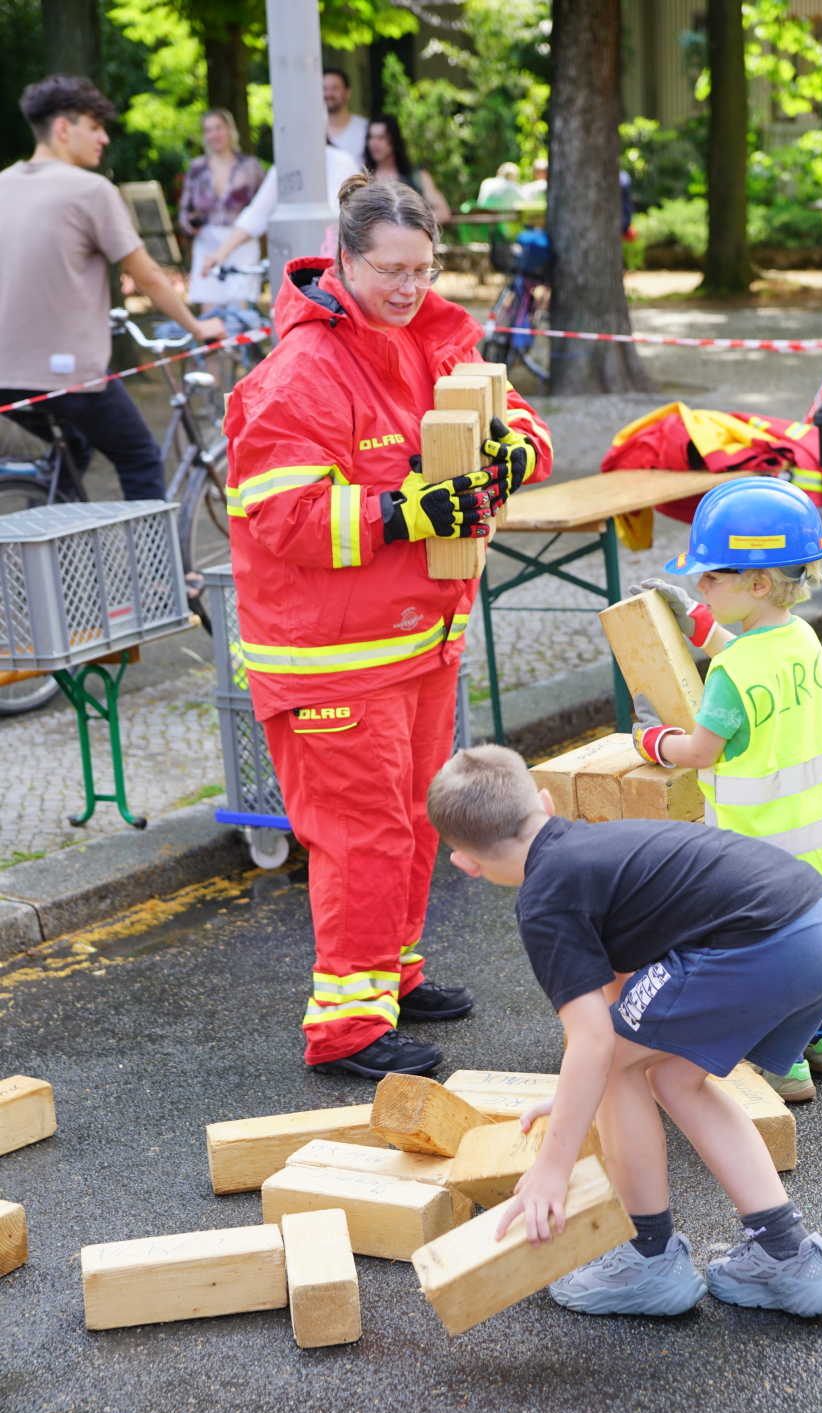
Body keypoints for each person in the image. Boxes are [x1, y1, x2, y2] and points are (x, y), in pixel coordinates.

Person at [224, 174, 552, 1079]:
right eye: (389, 271)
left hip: (416, 638)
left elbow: (514, 412)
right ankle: (346, 1026)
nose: (409, 289)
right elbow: (285, 520)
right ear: (343, 259)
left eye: (423, 268)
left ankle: (390, 974)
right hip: (332, 659)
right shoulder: (297, 376)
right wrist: (407, 514)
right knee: (360, 835)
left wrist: (514, 452)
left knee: (410, 820)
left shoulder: (437, 332)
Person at [426, 745, 822, 1319]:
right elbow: (627, 1001)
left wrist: (551, 1171)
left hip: (769, 942)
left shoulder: (547, 897)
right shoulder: (593, 846)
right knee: (675, 1078)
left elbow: (596, 1044)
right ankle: (787, 1253)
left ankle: (647, 1260)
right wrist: (577, 1090)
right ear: (547, 804)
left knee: (614, 1066)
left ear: (465, 862)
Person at [630, 477, 822, 1103]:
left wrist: (654, 743)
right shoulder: (800, 636)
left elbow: (700, 749)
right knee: (814, 944)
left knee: (767, 962)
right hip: (815, 840)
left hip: (756, 855)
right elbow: (753, 655)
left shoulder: (729, 674)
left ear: (758, 582)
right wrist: (701, 623)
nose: (700, 585)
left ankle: (786, 1070)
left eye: (710, 578)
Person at [0, 76, 224, 504]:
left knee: (72, 453)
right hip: (66, 375)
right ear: (63, 129)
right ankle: (158, 572)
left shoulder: (3, 185)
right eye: (95, 125)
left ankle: (52, 562)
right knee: (139, 456)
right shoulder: (90, 190)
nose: (104, 137)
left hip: (5, 375)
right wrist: (198, 326)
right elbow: (149, 277)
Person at [202, 140, 357, 278]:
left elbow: (339, 217)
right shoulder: (285, 166)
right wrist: (221, 253)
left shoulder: (341, 162)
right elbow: (257, 213)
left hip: (336, 269)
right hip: (296, 270)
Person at [178, 108, 265, 310]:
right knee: (209, 316)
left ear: (230, 130)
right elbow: (184, 211)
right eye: (208, 130)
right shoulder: (197, 168)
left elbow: (263, 207)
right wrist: (191, 224)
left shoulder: (250, 166)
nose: (214, 134)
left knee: (239, 315)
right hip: (207, 242)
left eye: (218, 128)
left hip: (241, 244)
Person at [364, 116, 451, 225]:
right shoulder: (362, 178)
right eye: (371, 137)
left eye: (381, 137)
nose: (374, 143)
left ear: (394, 140)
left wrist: (413, 225)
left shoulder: (417, 175)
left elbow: (443, 212)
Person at [324, 67, 368, 168]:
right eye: (324, 88)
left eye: (335, 88)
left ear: (347, 93)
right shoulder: (310, 133)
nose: (328, 94)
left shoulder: (365, 129)